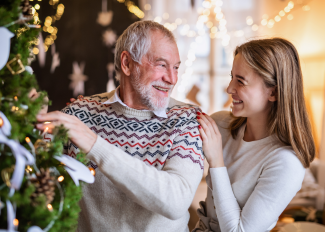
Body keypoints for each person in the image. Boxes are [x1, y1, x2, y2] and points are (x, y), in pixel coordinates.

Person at [36, 21, 204, 232]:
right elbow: (35, 174)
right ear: (126, 63)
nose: (172, 79)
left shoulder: (187, 119)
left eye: (176, 67)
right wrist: (32, 123)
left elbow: (176, 202)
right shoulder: (80, 112)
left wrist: (95, 145)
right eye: (161, 65)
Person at [193, 38, 315, 232]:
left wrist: (216, 161)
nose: (229, 89)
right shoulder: (221, 124)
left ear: (273, 93)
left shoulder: (286, 163)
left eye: (240, 81)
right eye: (232, 77)